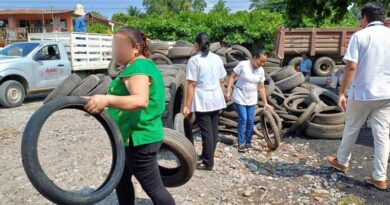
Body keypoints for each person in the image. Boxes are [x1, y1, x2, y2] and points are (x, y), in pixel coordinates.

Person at [84, 27, 175, 204]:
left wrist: (107, 100)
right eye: (114, 45)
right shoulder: (135, 66)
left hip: (139, 139)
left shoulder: (139, 66)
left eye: (120, 46)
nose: (115, 50)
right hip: (129, 138)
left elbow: (140, 100)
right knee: (120, 178)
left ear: (136, 48)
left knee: (154, 189)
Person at [326, 2, 390, 190]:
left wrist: (342, 92)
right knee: (382, 135)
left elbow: (351, 66)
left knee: (352, 128)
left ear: (365, 17)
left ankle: (342, 161)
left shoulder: (360, 36)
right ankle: (379, 177)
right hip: (387, 94)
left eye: (360, 18)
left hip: (362, 93)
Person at [183, 32, 227, 171]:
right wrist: (223, 97)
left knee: (206, 132)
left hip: (203, 99)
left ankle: (208, 162)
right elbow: (222, 80)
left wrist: (187, 106)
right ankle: (208, 156)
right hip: (216, 97)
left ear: (196, 44)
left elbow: (191, 84)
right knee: (213, 130)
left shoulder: (194, 60)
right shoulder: (217, 58)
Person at [225, 49, 272, 153]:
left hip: (251, 98)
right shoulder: (243, 65)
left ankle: (248, 142)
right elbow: (232, 77)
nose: (262, 64)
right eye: (260, 61)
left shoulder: (261, 71)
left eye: (264, 62)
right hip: (239, 95)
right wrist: (228, 91)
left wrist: (265, 102)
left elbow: (261, 87)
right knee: (243, 119)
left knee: (250, 121)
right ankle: (241, 143)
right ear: (254, 57)